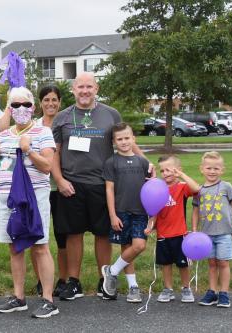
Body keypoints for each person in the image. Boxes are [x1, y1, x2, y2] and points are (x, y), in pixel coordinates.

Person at [51, 72, 151, 301]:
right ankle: (74, 282)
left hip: (102, 184)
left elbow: (127, 141)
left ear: (96, 88)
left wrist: (146, 163)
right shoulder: (63, 117)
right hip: (71, 184)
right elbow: (54, 153)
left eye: (89, 86)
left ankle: (104, 281)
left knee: (102, 234)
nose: (84, 91)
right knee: (73, 234)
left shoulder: (110, 114)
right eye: (80, 87)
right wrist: (59, 180)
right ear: (73, 90)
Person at [0, 87, 59, 318]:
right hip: (7, 197)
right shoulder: (2, 135)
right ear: (10, 108)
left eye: (26, 105)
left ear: (33, 107)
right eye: (16, 105)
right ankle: (19, 297)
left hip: (34, 196)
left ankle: (49, 300)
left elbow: (47, 167)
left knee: (40, 246)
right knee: (14, 247)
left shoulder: (43, 132)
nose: (21, 109)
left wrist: (29, 150)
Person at [100, 123, 151, 302]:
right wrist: (113, 215)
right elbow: (109, 190)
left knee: (139, 246)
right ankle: (133, 287)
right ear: (114, 142)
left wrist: (152, 216)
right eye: (119, 139)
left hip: (140, 212)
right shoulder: (111, 162)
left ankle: (111, 271)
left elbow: (152, 188)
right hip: (121, 212)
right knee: (127, 249)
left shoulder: (142, 162)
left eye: (127, 138)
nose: (124, 142)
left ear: (133, 139)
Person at [193, 151, 232, 308]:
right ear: (201, 169)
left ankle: (224, 293)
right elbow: (195, 211)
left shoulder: (226, 187)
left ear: (222, 170)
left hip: (224, 234)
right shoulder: (199, 190)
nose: (212, 171)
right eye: (208, 168)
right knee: (212, 264)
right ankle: (212, 292)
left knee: (223, 263)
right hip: (207, 235)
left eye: (216, 168)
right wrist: (194, 230)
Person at [145, 155, 200, 303]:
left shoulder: (182, 187)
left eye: (169, 170)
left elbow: (197, 189)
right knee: (165, 264)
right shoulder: (158, 188)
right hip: (163, 235)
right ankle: (168, 289)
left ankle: (186, 288)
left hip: (180, 234)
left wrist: (181, 175)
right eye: (162, 171)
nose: (165, 173)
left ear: (178, 170)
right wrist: (150, 226)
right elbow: (154, 210)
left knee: (183, 264)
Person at [37, 85, 69, 297]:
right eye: (46, 100)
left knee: (62, 235)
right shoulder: (34, 126)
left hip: (60, 188)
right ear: (40, 103)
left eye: (54, 100)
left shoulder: (65, 124)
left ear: (59, 102)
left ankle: (63, 279)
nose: (50, 104)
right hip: (38, 187)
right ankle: (41, 280)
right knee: (38, 236)